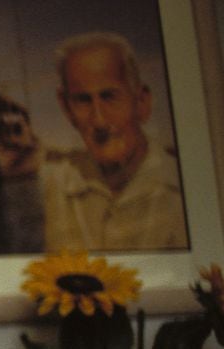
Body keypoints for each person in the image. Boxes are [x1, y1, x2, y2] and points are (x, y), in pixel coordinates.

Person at [42, 31, 188, 252]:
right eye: (83, 100)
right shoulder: (56, 188)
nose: (99, 120)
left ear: (141, 102)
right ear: (66, 108)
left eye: (110, 97)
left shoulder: (183, 189)